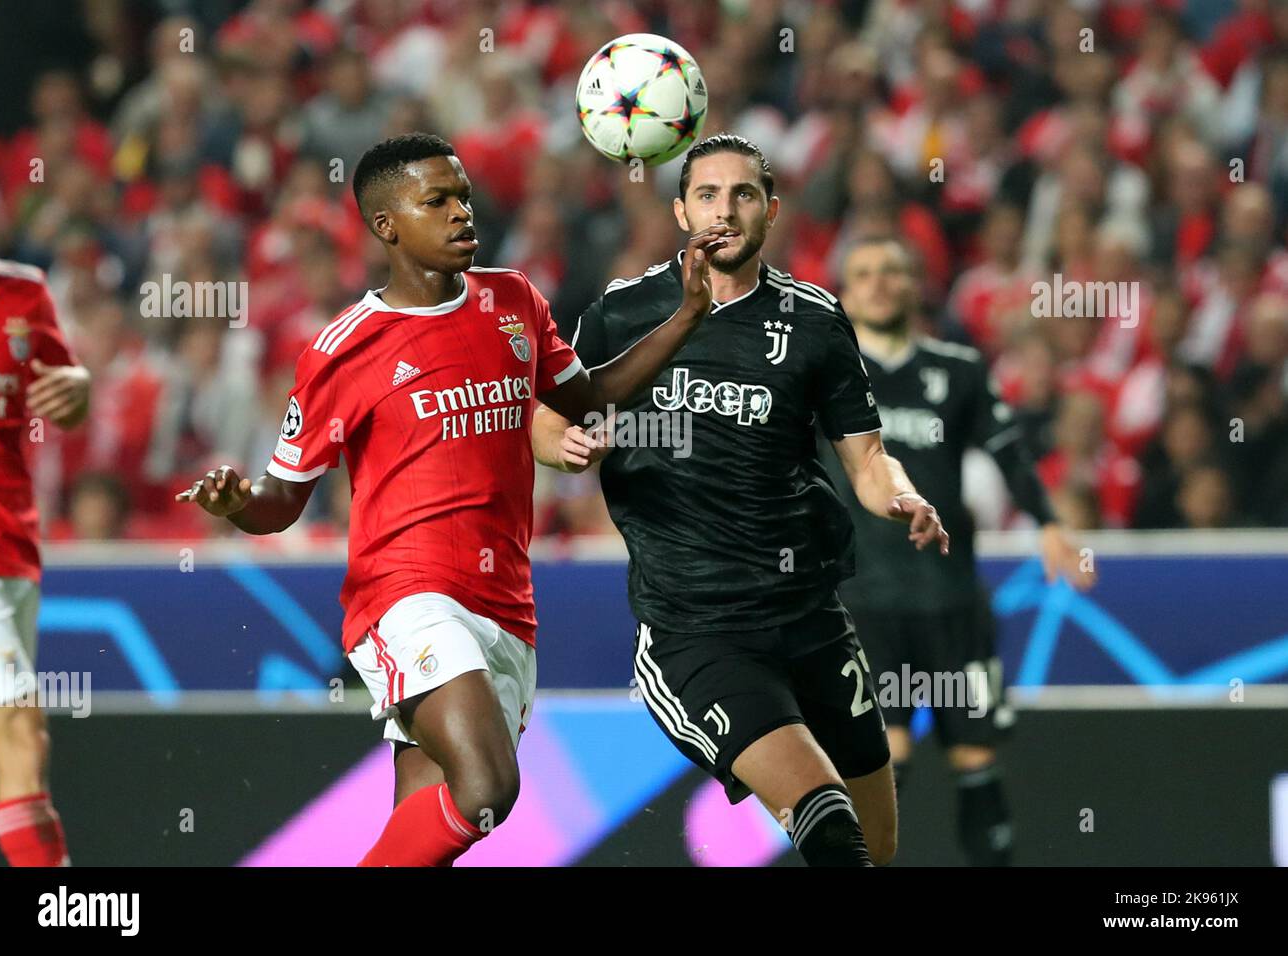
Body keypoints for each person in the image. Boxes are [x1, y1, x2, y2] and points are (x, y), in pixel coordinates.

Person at [177, 132, 732, 867]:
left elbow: (590, 393)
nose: (461, 212)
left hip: (505, 601)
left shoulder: (514, 302)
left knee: (427, 824)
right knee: (487, 787)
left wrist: (688, 315)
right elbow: (283, 499)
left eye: (464, 195)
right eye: (435, 200)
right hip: (405, 595)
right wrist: (237, 501)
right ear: (387, 225)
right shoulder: (346, 348)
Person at [533, 135, 950, 867]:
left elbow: (869, 459)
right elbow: (546, 413)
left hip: (811, 618)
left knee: (877, 851)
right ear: (679, 209)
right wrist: (560, 445)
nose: (724, 210)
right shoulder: (623, 312)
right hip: (698, 630)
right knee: (828, 825)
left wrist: (907, 498)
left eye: (743, 194)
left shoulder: (817, 320)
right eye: (707, 194)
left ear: (771, 210)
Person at [823, 235, 1095, 865]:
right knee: (882, 756)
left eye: (892, 269)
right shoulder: (824, 371)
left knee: (976, 757)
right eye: (864, 273)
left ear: (916, 285)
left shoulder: (960, 369)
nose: (879, 282)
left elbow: (1009, 451)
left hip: (951, 599)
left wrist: (1048, 523)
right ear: (844, 291)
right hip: (863, 602)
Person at [0, 254, 91, 866]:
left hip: (11, 546)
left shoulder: (22, 293)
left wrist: (77, 389)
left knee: (8, 743)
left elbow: (66, 400)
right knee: (20, 731)